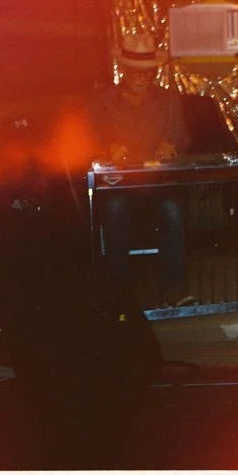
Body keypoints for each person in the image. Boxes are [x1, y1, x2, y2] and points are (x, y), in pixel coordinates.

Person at [88, 32, 192, 310]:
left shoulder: (169, 99)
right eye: (135, 72)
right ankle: (119, 294)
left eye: (148, 73)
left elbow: (182, 137)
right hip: (119, 184)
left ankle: (172, 289)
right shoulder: (102, 101)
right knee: (114, 209)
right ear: (122, 71)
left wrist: (171, 144)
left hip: (158, 182)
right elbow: (90, 141)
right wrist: (108, 149)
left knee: (172, 209)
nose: (142, 78)